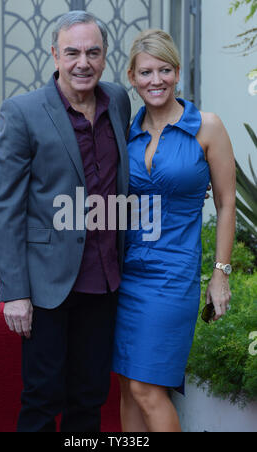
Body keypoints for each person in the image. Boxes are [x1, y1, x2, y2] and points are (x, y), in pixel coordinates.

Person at [0, 11, 131, 432]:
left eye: (92, 52)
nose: (82, 62)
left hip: (104, 279)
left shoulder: (118, 101)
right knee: (41, 397)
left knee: (90, 397)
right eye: (72, 52)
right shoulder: (22, 112)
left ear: (105, 57)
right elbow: (6, 207)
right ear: (54, 54)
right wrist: (15, 292)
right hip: (47, 283)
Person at [112, 29, 236, 432]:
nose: (156, 80)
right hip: (125, 274)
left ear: (177, 72)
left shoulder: (208, 127)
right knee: (129, 388)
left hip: (171, 276)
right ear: (132, 77)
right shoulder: (124, 133)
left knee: (148, 390)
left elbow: (226, 202)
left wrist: (220, 273)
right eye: (146, 72)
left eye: (165, 70)